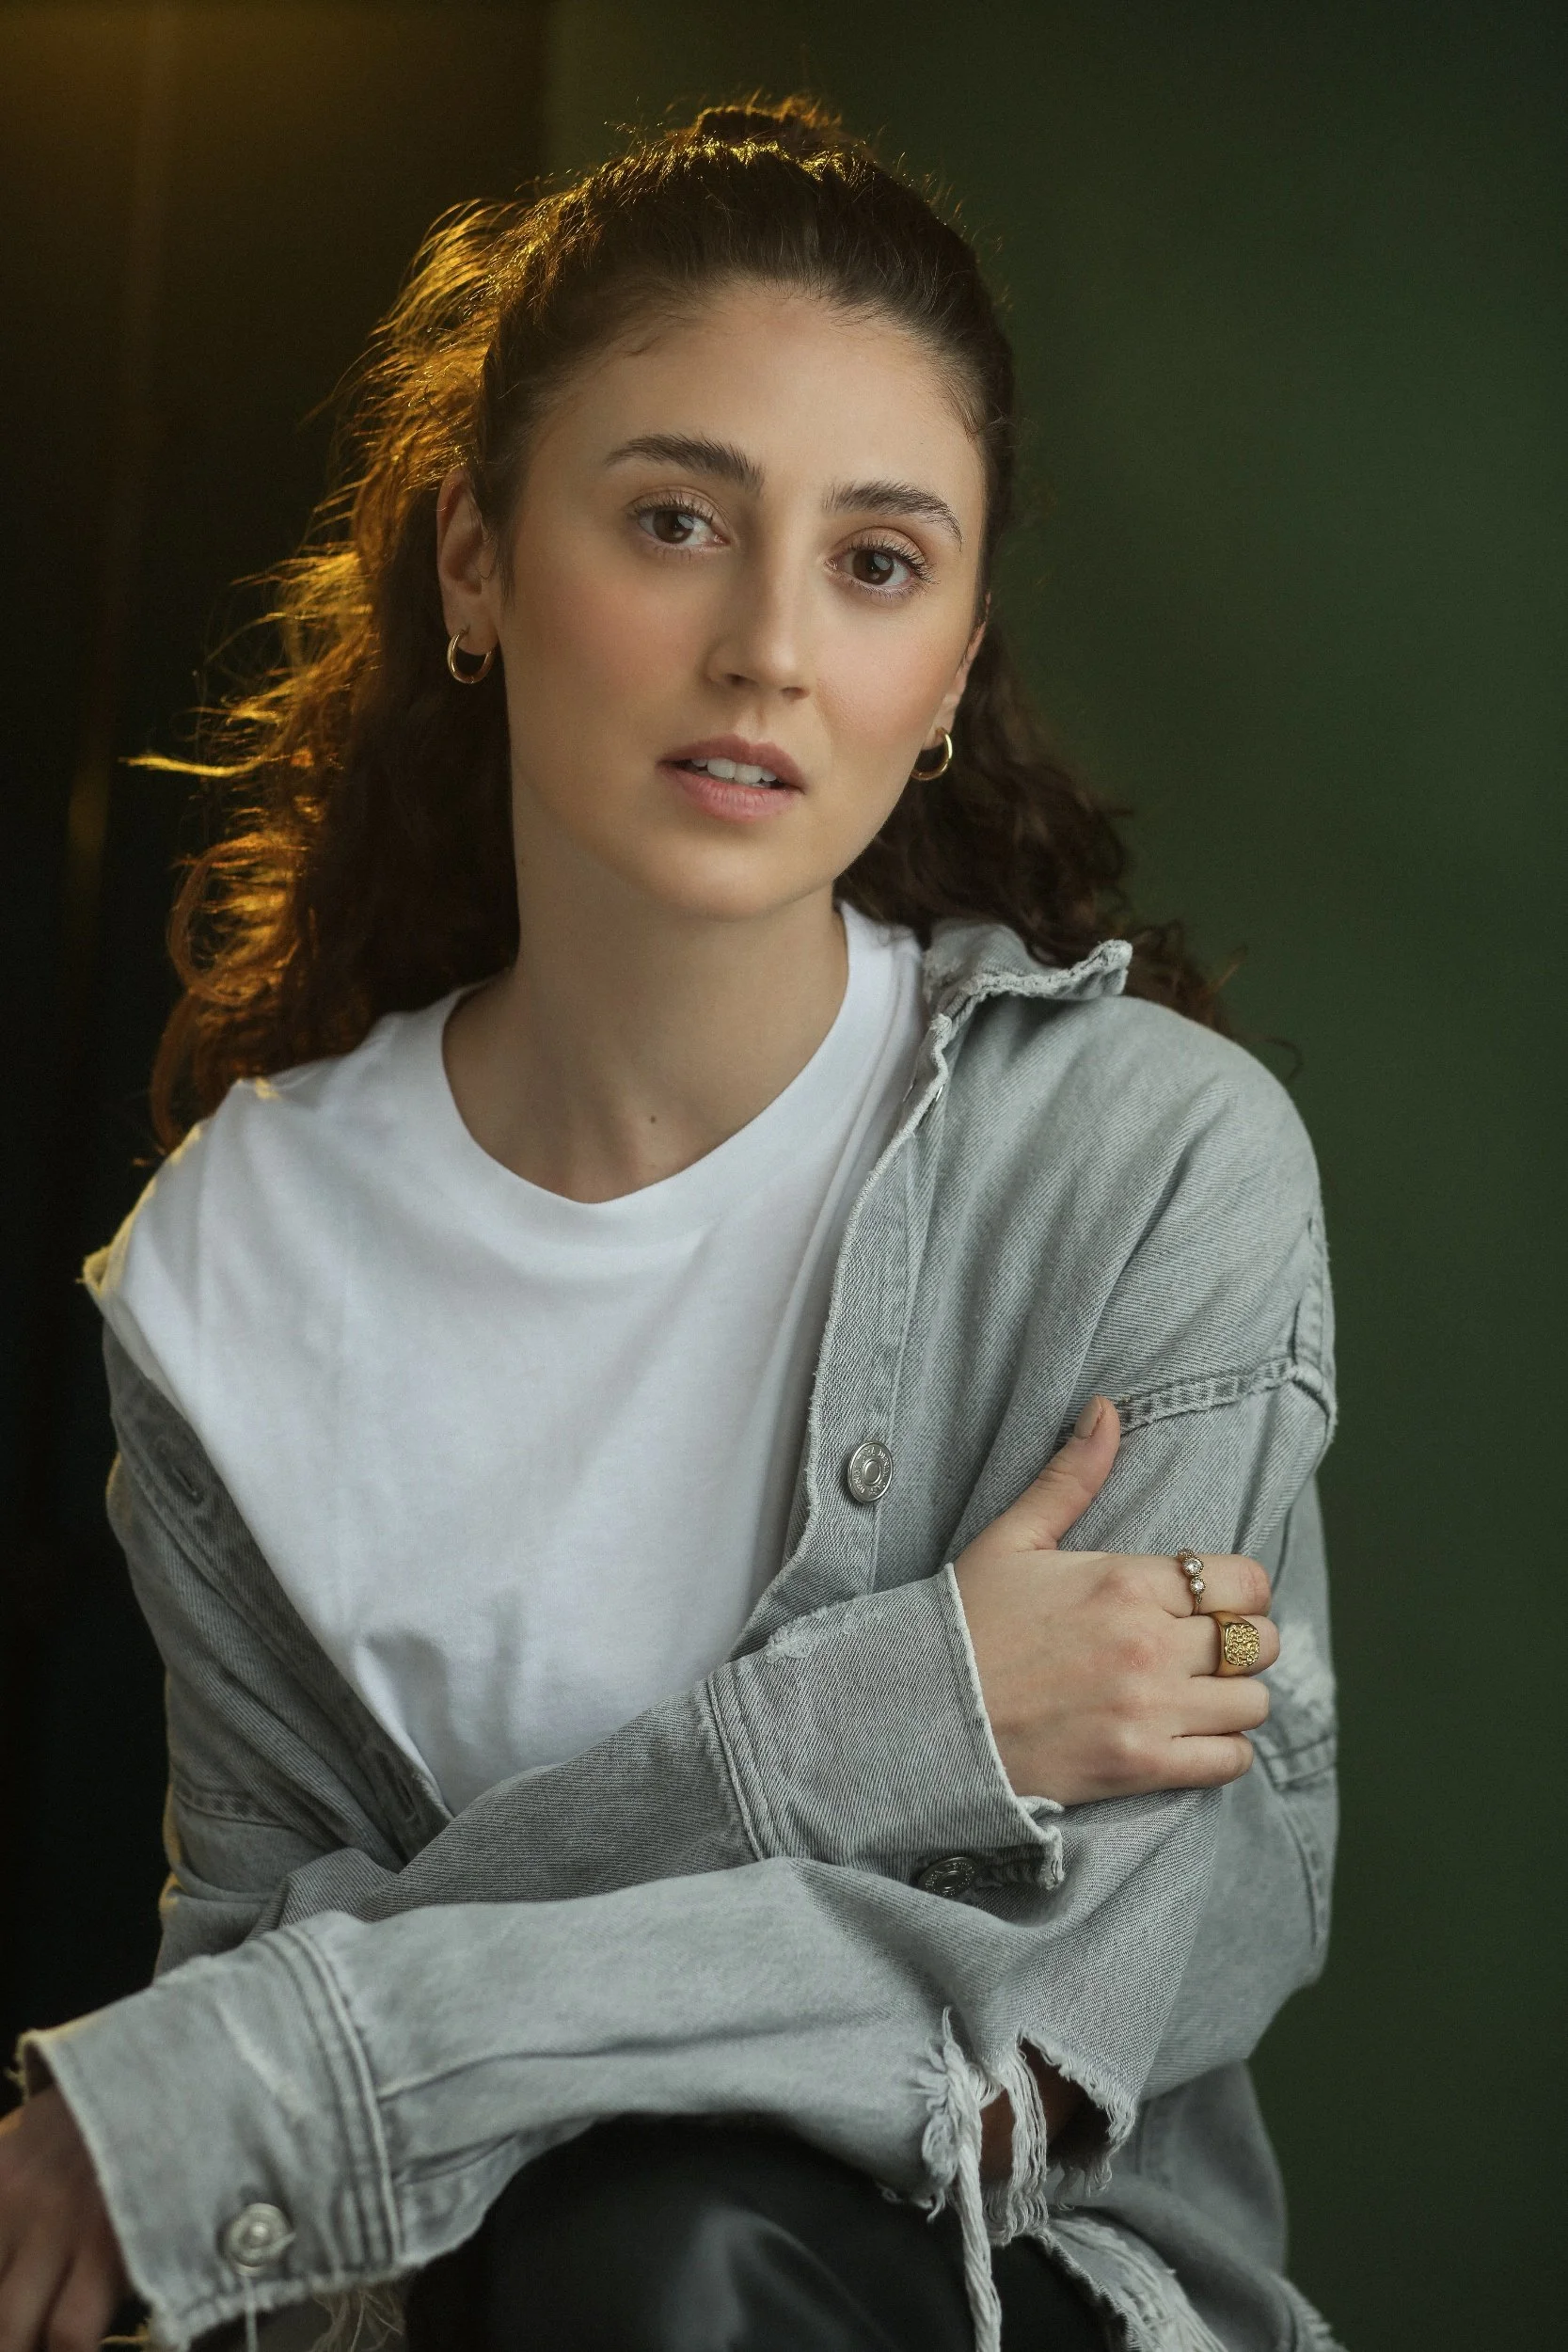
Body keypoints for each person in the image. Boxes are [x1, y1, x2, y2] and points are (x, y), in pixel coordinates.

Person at [0, 99, 1341, 2352]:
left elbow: (1046, 2008)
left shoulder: (1158, 1168)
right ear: (474, 561)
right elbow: (242, 2044)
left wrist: (288, 2064)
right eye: (673, 518)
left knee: (664, 2245)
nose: (766, 650)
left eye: (874, 561)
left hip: (1007, 2298)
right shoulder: (236, 1262)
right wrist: (898, 1723)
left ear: (949, 668)